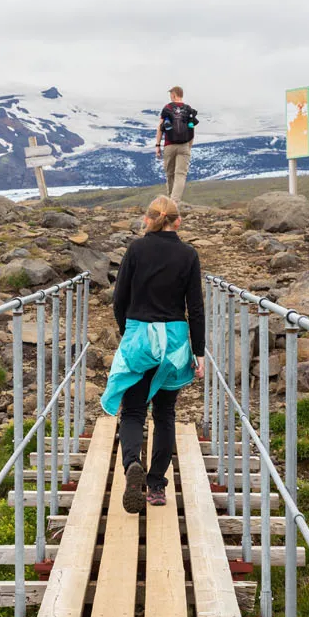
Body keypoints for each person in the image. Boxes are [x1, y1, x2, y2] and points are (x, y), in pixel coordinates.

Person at [101, 195, 205, 514]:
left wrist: (127, 332)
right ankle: (157, 485)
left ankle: (133, 463)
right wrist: (198, 353)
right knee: (165, 413)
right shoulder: (189, 254)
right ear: (178, 221)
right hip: (173, 342)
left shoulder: (135, 249)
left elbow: (119, 300)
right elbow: (196, 309)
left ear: (148, 219)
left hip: (139, 337)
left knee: (133, 411)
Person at [156, 86, 198, 204]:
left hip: (169, 145)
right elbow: (191, 129)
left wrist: (157, 145)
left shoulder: (167, 108)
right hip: (184, 145)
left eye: (171, 95)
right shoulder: (188, 109)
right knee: (181, 174)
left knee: (170, 174)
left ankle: (170, 200)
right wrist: (189, 146)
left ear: (173, 95)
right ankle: (174, 202)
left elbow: (160, 128)